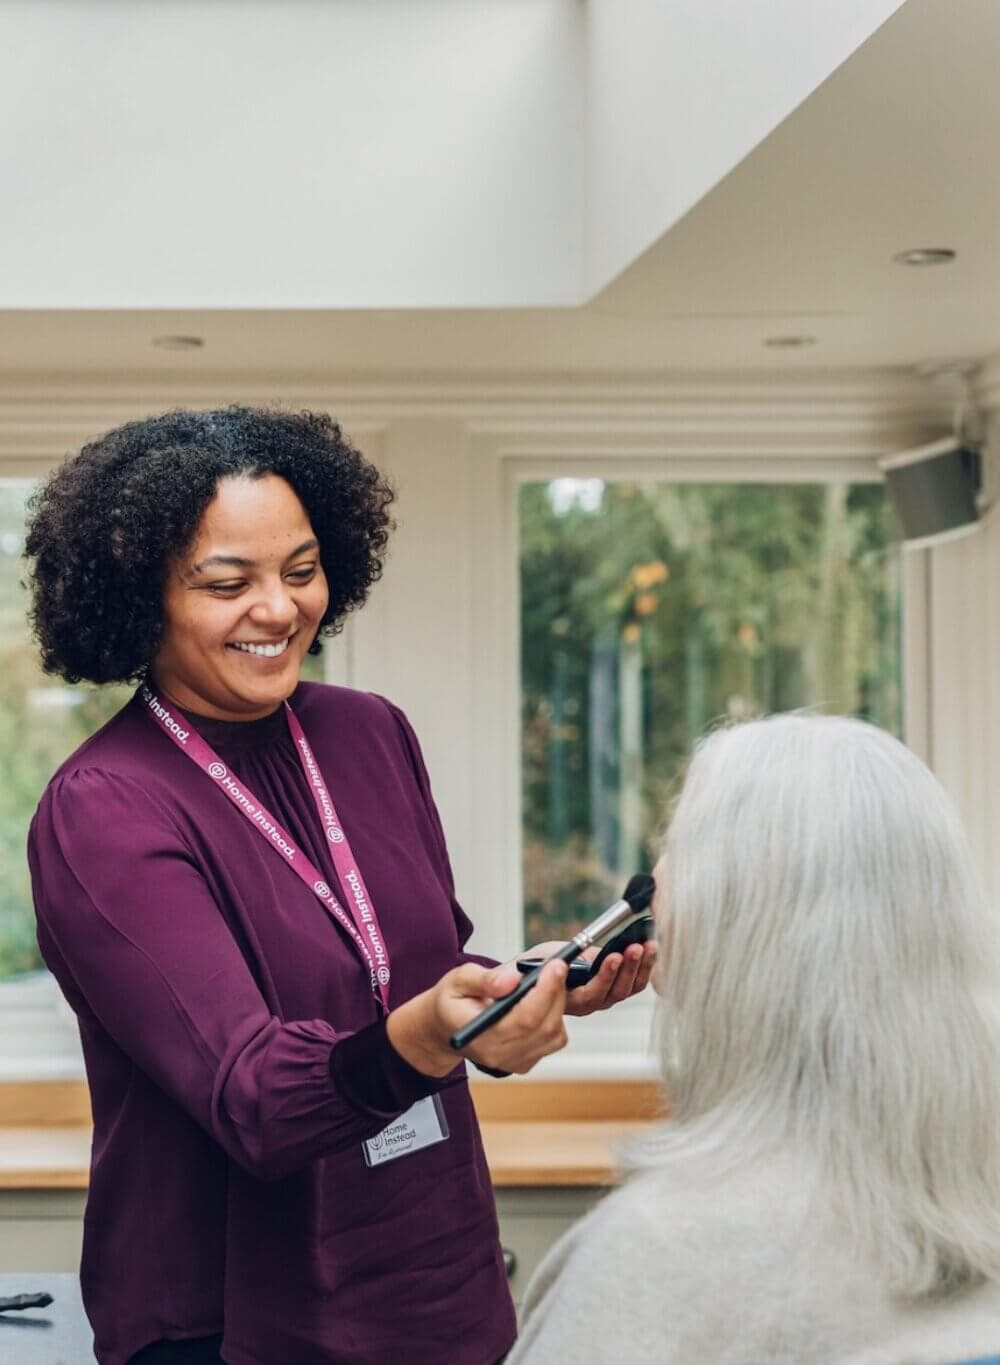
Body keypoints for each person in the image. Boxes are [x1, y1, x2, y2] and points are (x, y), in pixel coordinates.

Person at [23, 406, 655, 1365]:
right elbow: (254, 1099)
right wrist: (431, 1030)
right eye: (227, 582)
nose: (277, 609)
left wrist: (507, 994)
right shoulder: (104, 810)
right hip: (229, 1320)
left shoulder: (369, 732)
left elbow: (403, 977)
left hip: (431, 1281)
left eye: (302, 570)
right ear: (140, 598)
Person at [509, 715, 1000, 1365]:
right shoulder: (971, 1207)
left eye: (678, 846)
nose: (656, 876)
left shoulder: (654, 1255)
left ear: (742, 918)